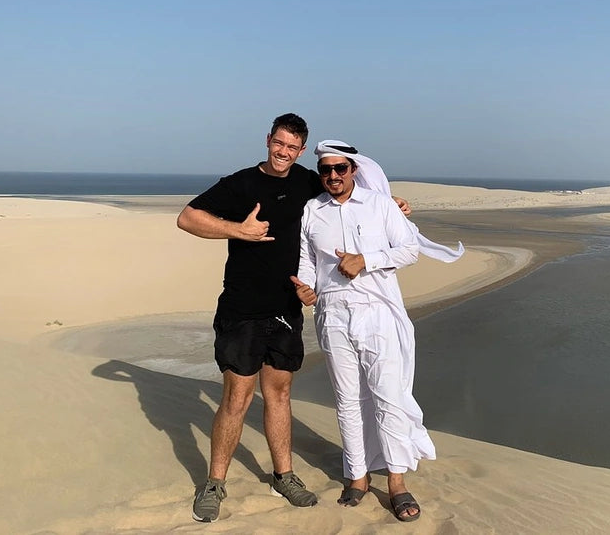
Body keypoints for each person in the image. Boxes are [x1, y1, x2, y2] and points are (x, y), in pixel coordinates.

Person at [177, 114, 411, 523]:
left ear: (301, 150)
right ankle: (215, 483)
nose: (283, 152)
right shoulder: (240, 184)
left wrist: (394, 204)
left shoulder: (309, 182)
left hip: (287, 308)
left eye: (292, 147)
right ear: (268, 139)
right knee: (237, 397)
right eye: (278, 143)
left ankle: (283, 475)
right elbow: (187, 218)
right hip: (242, 307)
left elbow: (350, 192)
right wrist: (238, 230)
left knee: (280, 394)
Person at [292, 140, 462, 523]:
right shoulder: (312, 210)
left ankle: (397, 482)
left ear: (353, 169)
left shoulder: (380, 205)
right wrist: (305, 287)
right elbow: (306, 259)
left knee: (388, 396)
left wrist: (365, 260)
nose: (333, 175)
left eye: (340, 168)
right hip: (332, 314)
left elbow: (408, 250)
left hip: (378, 315)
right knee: (347, 399)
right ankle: (357, 475)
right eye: (326, 170)